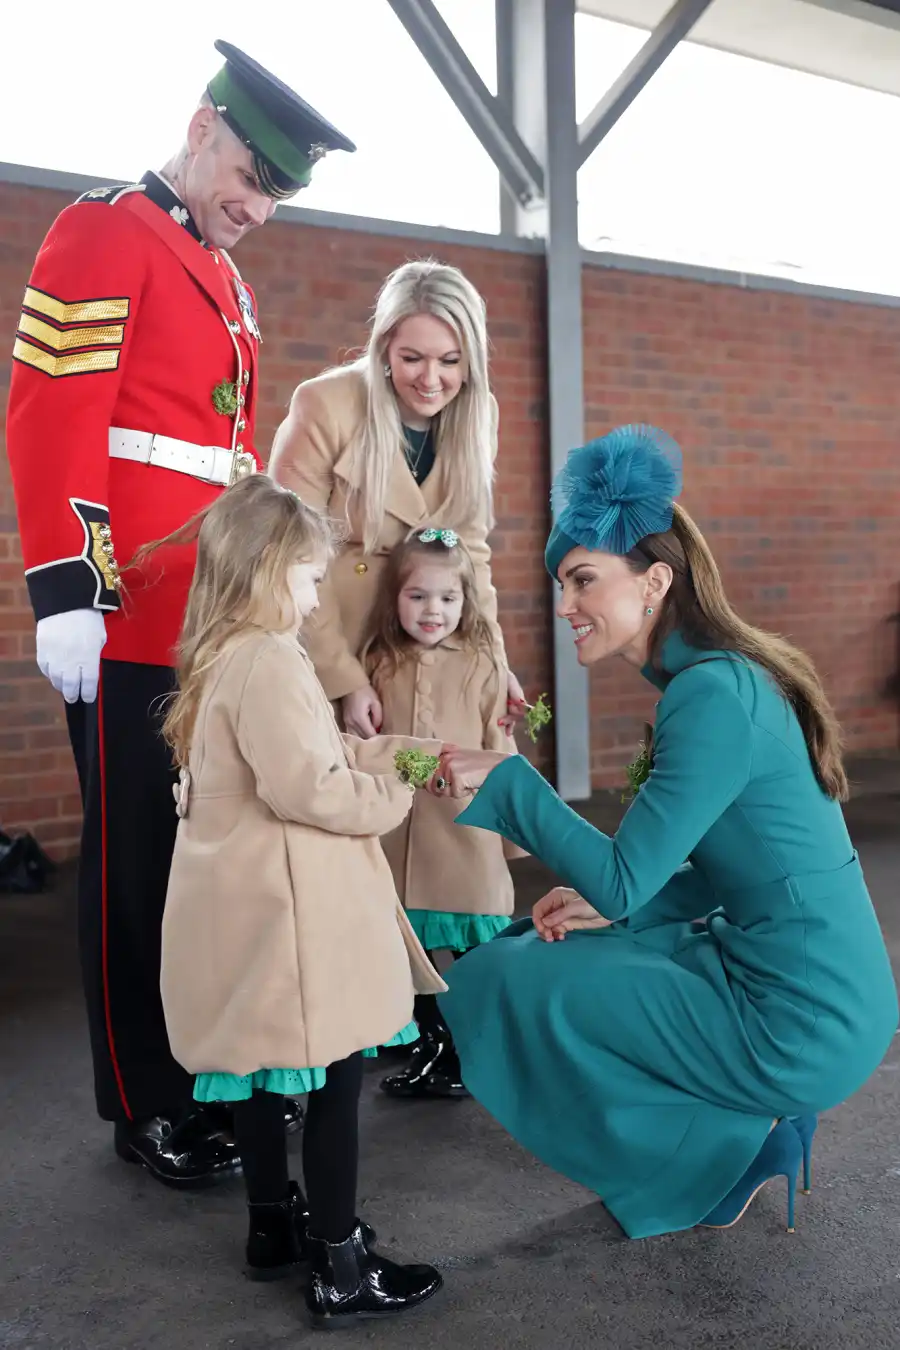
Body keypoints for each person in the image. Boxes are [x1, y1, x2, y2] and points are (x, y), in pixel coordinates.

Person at [5, 40, 355, 1186]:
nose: (259, 206)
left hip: (206, 614)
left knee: (203, 862)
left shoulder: (227, 274)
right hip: (128, 613)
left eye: (278, 192)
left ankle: (202, 1073)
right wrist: (67, 586)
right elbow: (53, 408)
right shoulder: (106, 231)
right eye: (251, 175)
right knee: (136, 861)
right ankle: (145, 1103)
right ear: (201, 126)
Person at [432, 424, 899, 1240]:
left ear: (653, 583)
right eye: (560, 584)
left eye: (582, 581)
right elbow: (718, 873)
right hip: (815, 988)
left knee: (511, 980)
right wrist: (617, 910)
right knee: (553, 948)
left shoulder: (711, 697)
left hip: (798, 1018)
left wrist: (512, 784)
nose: (565, 605)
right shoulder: (723, 679)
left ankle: (733, 1139)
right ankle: (749, 1135)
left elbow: (620, 878)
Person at [157, 475, 445, 1326]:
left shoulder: (217, 658)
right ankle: (342, 1263)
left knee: (260, 1073)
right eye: (310, 577)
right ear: (267, 568)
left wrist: (386, 754)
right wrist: (395, 793)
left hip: (241, 905)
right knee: (336, 1076)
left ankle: (272, 1228)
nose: (318, 594)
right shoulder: (270, 658)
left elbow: (279, 769)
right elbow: (309, 790)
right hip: (295, 917)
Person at [268, 258, 526, 742]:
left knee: (452, 801)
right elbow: (285, 555)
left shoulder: (479, 413)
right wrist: (342, 680)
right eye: (413, 358)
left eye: (450, 361)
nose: (431, 379)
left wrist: (494, 664)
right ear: (384, 346)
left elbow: (470, 553)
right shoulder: (325, 404)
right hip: (331, 634)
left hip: (432, 649)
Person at [359, 527, 524, 1100]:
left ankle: (489, 1047)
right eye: (418, 597)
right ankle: (438, 1048)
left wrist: (512, 832)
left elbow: (499, 750)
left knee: (476, 948)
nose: (434, 611)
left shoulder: (483, 665)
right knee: (416, 950)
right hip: (400, 837)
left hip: (464, 836)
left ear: (466, 601)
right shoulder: (377, 662)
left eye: (448, 599)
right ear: (394, 599)